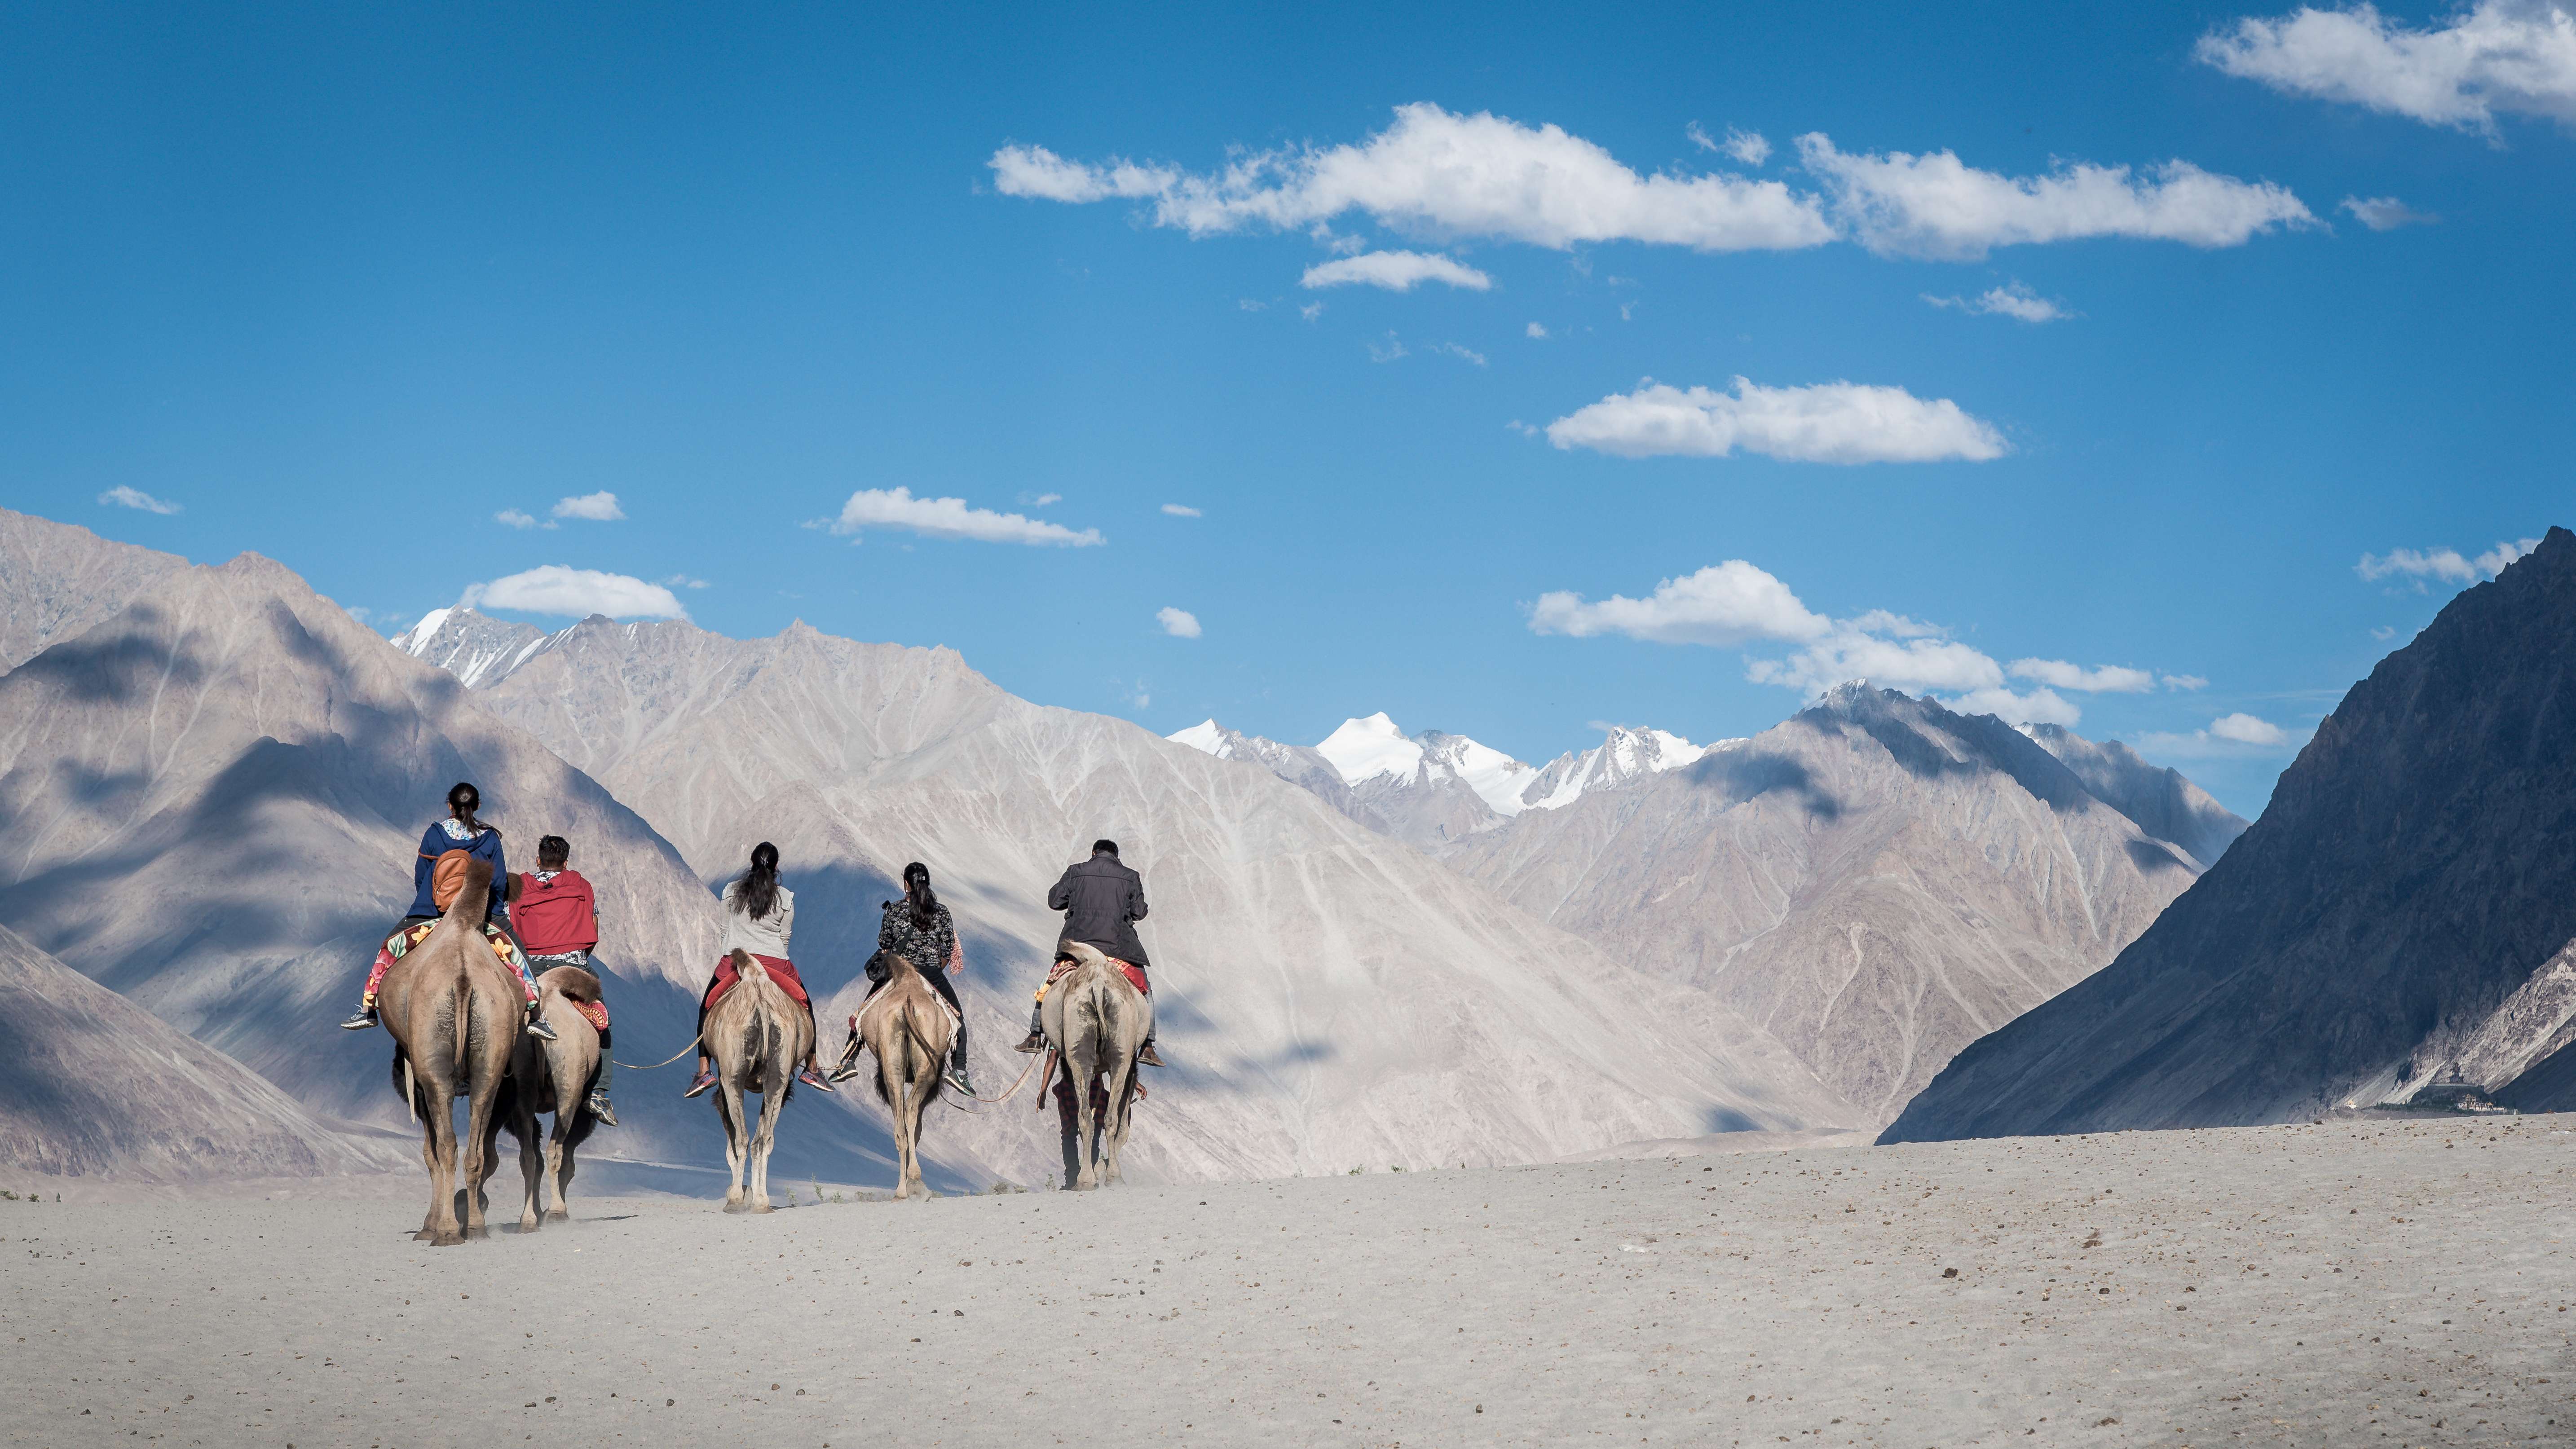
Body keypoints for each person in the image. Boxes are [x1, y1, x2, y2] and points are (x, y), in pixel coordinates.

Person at [341, 781, 555, 1042]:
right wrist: (494, 910)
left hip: (431, 912)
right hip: (481, 915)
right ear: (477, 807)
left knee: (387, 949)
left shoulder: (434, 834)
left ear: (450, 806)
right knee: (521, 958)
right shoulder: (489, 839)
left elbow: (421, 877)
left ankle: (367, 1011)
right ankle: (537, 1018)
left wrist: (431, 904)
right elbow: (499, 882)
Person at [685, 841, 833, 1097]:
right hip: (775, 963)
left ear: (751, 863)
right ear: (776, 867)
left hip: (738, 961)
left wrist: (736, 952)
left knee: (707, 1005)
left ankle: (703, 1071)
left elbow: (724, 931)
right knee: (806, 1004)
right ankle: (812, 1067)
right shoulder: (786, 899)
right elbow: (785, 939)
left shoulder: (731, 891)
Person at [1018, 838, 1162, 1066]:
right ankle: (1147, 1047)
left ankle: (1035, 1035)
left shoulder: (1076, 872)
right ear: (1117, 856)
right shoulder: (1130, 876)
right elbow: (1139, 912)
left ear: (1094, 853)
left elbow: (1054, 901)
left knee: (1049, 983)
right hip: (1119, 951)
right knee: (1145, 991)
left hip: (1078, 948)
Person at [514, 834, 615, 1125]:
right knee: (602, 1021)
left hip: (531, 966)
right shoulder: (581, 885)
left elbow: (514, 928)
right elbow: (592, 929)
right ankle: (598, 1092)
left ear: (538, 860)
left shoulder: (521, 886)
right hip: (572, 964)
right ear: (566, 862)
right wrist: (579, 957)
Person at [852, 861, 976, 1095]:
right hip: (931, 973)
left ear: (906, 885)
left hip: (898, 972)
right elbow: (947, 948)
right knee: (957, 1018)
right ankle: (960, 1071)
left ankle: (849, 1056)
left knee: (863, 1011)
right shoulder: (942, 912)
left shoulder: (894, 910)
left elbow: (884, 944)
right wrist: (933, 969)